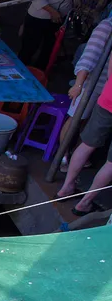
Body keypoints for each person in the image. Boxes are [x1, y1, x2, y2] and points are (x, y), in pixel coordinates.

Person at [58, 70, 112, 214]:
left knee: (87, 144)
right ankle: (84, 203)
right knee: (111, 163)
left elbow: (110, 72)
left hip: (108, 98)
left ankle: (66, 188)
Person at [20, 0, 85, 69]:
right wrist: (52, 11)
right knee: (29, 49)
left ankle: (40, 74)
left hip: (60, 18)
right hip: (38, 17)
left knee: (48, 50)